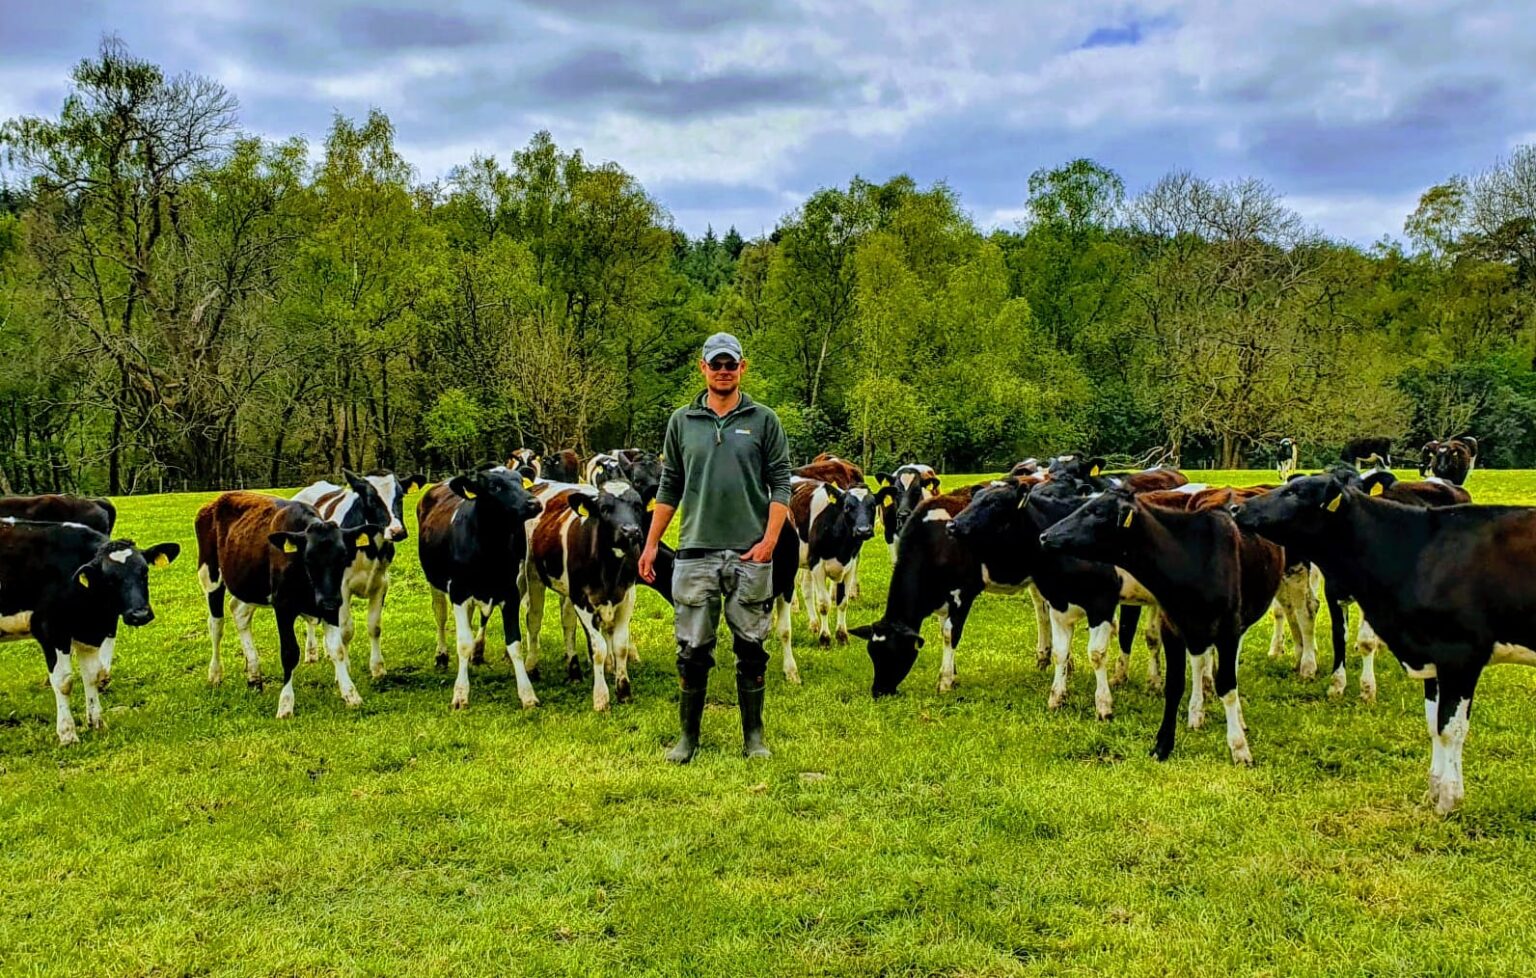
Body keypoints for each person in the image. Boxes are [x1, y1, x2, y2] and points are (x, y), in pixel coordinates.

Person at [639, 332, 792, 763]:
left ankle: (754, 735)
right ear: (702, 368)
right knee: (691, 649)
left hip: (749, 554)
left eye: (731, 364)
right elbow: (670, 486)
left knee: (752, 647)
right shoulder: (681, 422)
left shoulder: (764, 420)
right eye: (716, 364)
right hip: (694, 553)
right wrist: (652, 544)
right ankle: (687, 737)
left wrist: (769, 542)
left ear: (742, 368)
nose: (723, 371)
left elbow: (781, 482)